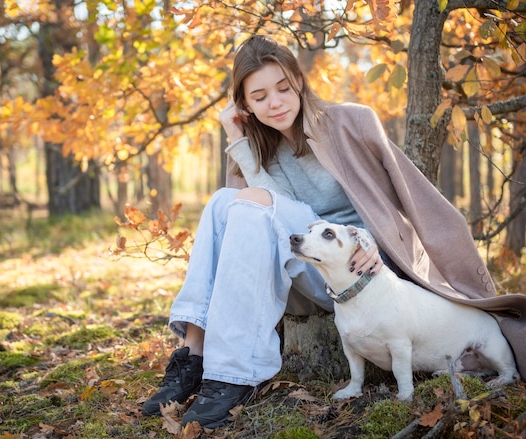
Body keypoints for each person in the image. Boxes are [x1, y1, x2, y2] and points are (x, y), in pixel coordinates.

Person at [141, 35, 526, 429]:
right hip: (304, 271)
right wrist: (237, 140)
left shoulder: (351, 121)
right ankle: (194, 356)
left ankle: (231, 375)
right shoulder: (256, 146)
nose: (275, 103)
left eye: (283, 88)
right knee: (224, 200)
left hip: (357, 271)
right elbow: (254, 218)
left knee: (241, 199)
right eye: (258, 97)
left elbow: (402, 199)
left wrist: (374, 244)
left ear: (299, 82)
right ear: (244, 104)